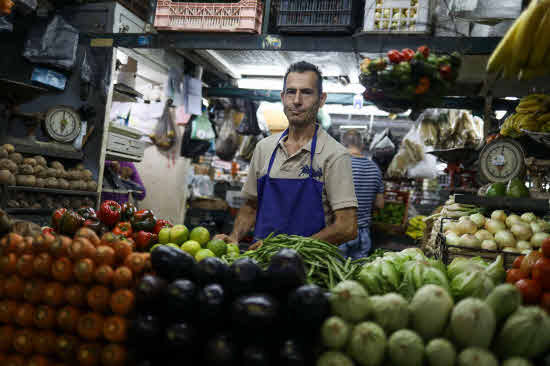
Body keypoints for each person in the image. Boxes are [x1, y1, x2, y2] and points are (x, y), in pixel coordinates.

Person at [216, 61, 358, 249]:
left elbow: (347, 227)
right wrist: (234, 237)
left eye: (306, 92)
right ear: (283, 97)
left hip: (309, 269)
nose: (297, 101)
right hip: (260, 264)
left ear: (321, 99)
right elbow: (251, 207)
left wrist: (288, 250)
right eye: (291, 92)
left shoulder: (335, 155)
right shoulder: (264, 148)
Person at [339, 129, 384, 259]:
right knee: (357, 273)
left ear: (342, 144)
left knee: (334, 273)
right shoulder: (374, 169)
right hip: (362, 233)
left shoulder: (336, 165)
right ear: (362, 145)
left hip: (337, 230)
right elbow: (380, 204)